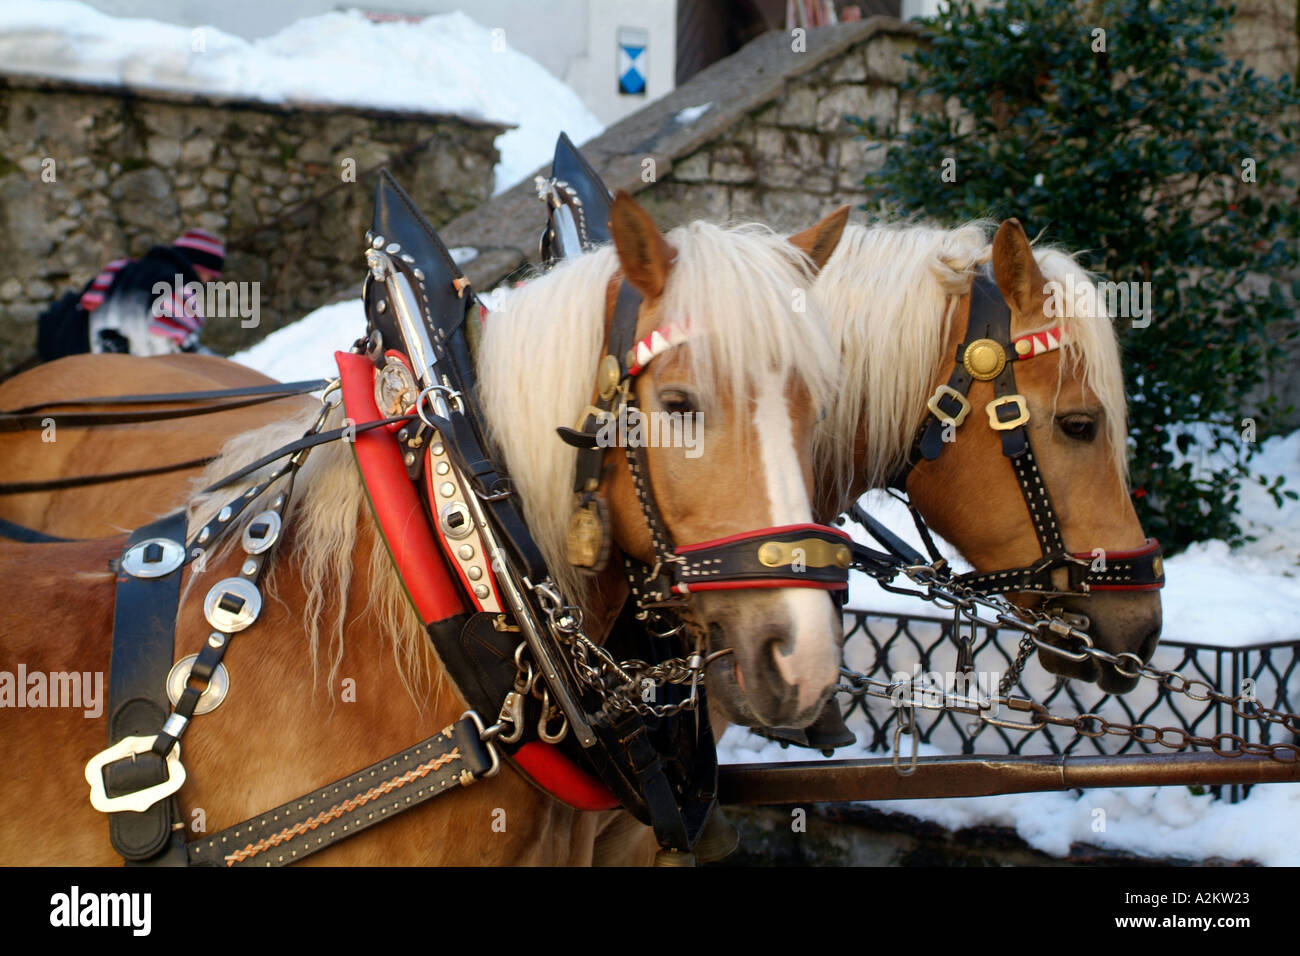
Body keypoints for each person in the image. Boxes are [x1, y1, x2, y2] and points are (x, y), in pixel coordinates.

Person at [36, 229, 226, 361]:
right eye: (210, 275)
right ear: (201, 268)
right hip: (124, 381)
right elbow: (181, 353)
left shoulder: (120, 268)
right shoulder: (179, 288)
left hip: (75, 360)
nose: (208, 282)